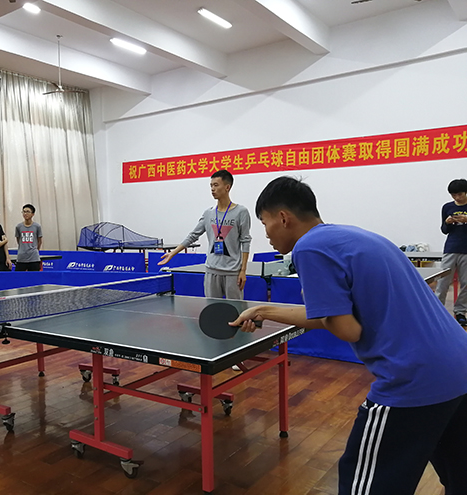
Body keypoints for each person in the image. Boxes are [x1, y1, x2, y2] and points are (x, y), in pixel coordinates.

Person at [231, 176, 467, 495]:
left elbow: (348, 329)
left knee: (364, 484)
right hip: (459, 365)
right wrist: (264, 310)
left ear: (283, 217)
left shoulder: (309, 248)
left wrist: (316, 303)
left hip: (415, 376)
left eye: (265, 223)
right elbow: (339, 315)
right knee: (460, 477)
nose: (267, 234)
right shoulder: (350, 236)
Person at [158, 169, 252, 300]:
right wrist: (172, 253)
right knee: (212, 308)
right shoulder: (208, 213)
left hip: (232, 272)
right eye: (211, 185)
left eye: (216, 185)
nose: (212, 189)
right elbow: (193, 235)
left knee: (235, 309)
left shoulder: (241, 212)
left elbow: (245, 241)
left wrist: (243, 271)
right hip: (211, 271)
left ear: (227, 187)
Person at [434, 178, 467, 327]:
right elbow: (444, 230)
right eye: (453, 195)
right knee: (442, 282)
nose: (457, 198)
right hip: (451, 248)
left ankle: (460, 311)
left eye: (459, 194)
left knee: (466, 283)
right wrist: (447, 223)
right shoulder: (447, 207)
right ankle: (437, 310)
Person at [14, 204, 42, 271]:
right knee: (19, 276)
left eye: (28, 212)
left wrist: (35, 250)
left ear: (33, 214)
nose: (25, 213)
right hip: (21, 258)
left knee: (34, 276)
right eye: (24, 211)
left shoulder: (37, 226)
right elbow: (18, 240)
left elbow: (39, 241)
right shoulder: (18, 226)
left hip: (34, 258)